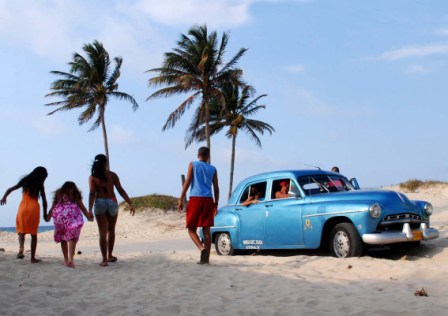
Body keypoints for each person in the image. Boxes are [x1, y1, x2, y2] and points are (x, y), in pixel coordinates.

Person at [88, 154, 135, 267]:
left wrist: (89, 210)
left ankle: (104, 260)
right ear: (106, 163)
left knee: (102, 233)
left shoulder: (93, 177)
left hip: (99, 202)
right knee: (111, 230)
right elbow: (120, 190)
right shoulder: (112, 175)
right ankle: (110, 255)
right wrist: (130, 203)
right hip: (112, 201)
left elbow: (92, 193)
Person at [178, 147, 219, 265]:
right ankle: (206, 260)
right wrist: (215, 203)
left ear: (198, 155)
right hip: (208, 199)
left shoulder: (193, 164)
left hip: (196, 198)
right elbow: (216, 188)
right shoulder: (213, 169)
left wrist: (181, 199)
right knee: (206, 229)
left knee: (191, 229)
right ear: (208, 156)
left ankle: (202, 249)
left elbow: (188, 181)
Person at [0, 166, 48, 263]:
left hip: (23, 208)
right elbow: (44, 200)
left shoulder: (25, 180)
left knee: (21, 230)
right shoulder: (40, 184)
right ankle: (32, 258)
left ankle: (21, 249)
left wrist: (4, 197)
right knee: (33, 234)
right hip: (34, 209)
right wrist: (45, 213)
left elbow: (10, 189)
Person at [45, 181, 94, 268]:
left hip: (73, 218)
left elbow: (82, 207)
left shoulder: (75, 196)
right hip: (61, 219)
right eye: (69, 189)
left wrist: (88, 216)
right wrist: (48, 215)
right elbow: (53, 205)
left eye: (72, 189)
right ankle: (66, 259)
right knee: (63, 238)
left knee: (72, 236)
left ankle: (71, 259)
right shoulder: (60, 195)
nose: (70, 191)